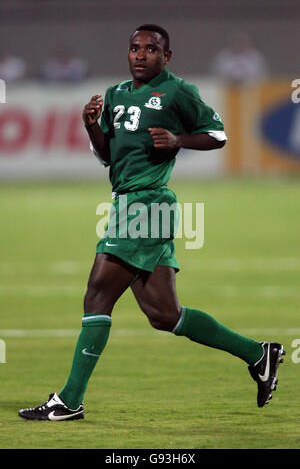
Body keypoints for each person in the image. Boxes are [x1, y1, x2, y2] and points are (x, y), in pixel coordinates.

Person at [19, 24, 285, 421]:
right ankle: (257, 353)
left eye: (150, 49)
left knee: (97, 295)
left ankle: (70, 400)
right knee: (164, 315)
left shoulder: (178, 91)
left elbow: (217, 134)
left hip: (144, 205)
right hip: (135, 204)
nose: (141, 55)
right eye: (134, 48)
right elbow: (109, 156)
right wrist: (92, 125)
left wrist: (180, 140)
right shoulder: (115, 95)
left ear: (167, 56)